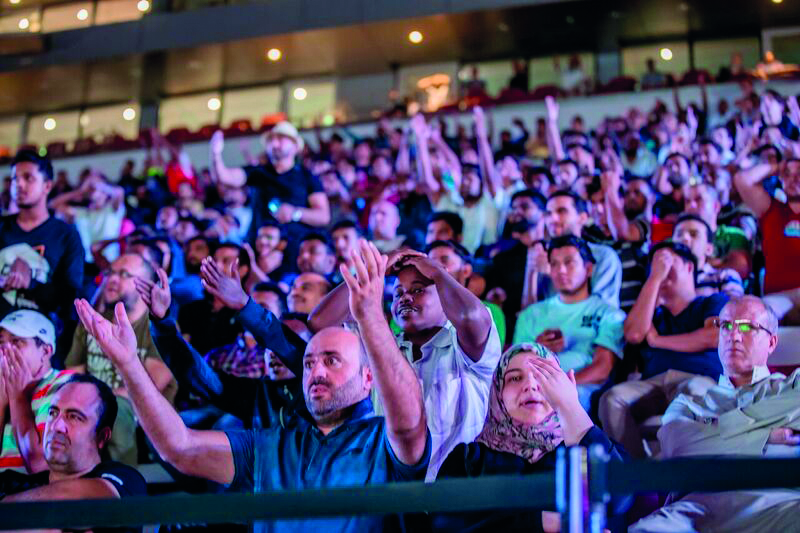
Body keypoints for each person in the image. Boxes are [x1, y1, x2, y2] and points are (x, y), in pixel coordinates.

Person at [73, 240, 430, 533]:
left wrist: (368, 314)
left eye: (331, 361)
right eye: (308, 363)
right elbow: (179, 446)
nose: (315, 370)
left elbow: (410, 420)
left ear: (368, 379)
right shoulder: (270, 443)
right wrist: (130, 362)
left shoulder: (383, 440)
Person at [309, 245, 502, 480]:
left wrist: (437, 272)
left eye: (418, 289)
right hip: (391, 497)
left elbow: (469, 316)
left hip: (457, 497)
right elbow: (320, 323)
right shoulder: (378, 348)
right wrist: (376, 271)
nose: (405, 297)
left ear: (444, 296)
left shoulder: (466, 349)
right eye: (398, 293)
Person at [630, 296, 800, 532]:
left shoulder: (794, 386)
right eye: (726, 326)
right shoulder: (687, 404)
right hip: (698, 509)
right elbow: (682, 452)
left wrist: (720, 430)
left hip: (777, 503)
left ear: (771, 343)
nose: (734, 335)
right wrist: (766, 437)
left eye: (748, 327)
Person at [434, 343, 627, 533]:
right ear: (497, 392)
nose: (530, 385)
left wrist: (571, 408)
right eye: (515, 378)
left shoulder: (586, 448)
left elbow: (619, 501)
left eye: (544, 376)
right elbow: (444, 523)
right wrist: (545, 521)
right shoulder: (470, 459)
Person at [599, 241, 727, 458]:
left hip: (698, 378)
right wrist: (654, 279)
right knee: (612, 399)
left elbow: (713, 337)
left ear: (689, 267)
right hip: (654, 383)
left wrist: (658, 341)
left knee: (695, 392)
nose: (661, 268)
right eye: (655, 265)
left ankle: (692, 477)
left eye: (667, 262)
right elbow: (634, 334)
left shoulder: (712, 301)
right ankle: (637, 479)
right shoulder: (652, 314)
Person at [65, 253, 176, 465]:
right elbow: (74, 374)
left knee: (118, 409)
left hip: (143, 411)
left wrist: (94, 400)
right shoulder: (92, 321)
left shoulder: (159, 328)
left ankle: (122, 487)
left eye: (124, 274)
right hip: (92, 402)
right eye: (110, 272)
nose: (113, 279)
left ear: (145, 285)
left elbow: (152, 387)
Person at [0, 374, 147, 533]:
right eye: (53, 413)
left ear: (102, 437)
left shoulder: (125, 479)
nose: (57, 426)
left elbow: (83, 503)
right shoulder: (11, 483)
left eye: (74, 417)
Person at [513, 236, 625, 411]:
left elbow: (603, 368)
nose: (561, 270)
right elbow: (514, 366)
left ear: (588, 269)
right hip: (531, 388)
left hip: (580, 389)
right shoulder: (530, 314)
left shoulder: (609, 315)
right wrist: (536, 348)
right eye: (554, 264)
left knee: (566, 400)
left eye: (569, 263)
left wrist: (559, 385)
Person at [0, 151, 84, 363]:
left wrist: (32, 283)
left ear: (47, 185)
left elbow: (71, 297)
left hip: (41, 345)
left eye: (28, 178)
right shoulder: (1, 228)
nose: (19, 185)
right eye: (14, 179)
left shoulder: (66, 235)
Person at [209, 121, 331, 267]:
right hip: (258, 250)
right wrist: (215, 154)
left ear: (295, 147)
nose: (275, 143)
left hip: (293, 253)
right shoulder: (258, 173)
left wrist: (295, 213)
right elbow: (225, 177)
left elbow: (323, 216)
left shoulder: (307, 177)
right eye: (271, 140)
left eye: (281, 139)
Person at [0, 310, 75, 473]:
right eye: (1, 343)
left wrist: (17, 397)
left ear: (46, 351)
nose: (4, 351)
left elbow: (40, 464)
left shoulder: (65, 384)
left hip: (37, 492)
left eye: (16, 342)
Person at [735, 158, 800, 322]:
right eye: (788, 174)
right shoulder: (771, 209)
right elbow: (742, 180)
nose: (794, 178)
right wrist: (777, 165)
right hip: (778, 300)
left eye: (799, 173)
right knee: (752, 315)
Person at [544, 191, 622, 308]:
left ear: (582, 218)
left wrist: (553, 274)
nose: (553, 219)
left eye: (562, 211)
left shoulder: (602, 256)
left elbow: (600, 311)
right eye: (548, 214)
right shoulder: (542, 258)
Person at [426, 240, 506, 345]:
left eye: (444, 260)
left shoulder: (490, 312)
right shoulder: (412, 308)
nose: (435, 268)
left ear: (466, 271)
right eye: (430, 262)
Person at [179, 243, 249, 354]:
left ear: (242, 270)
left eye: (226, 261)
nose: (217, 266)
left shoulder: (248, 315)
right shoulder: (190, 309)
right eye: (214, 261)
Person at [48, 170, 126, 265]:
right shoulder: (82, 213)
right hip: (86, 265)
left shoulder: (112, 211)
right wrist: (80, 190)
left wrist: (99, 184)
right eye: (91, 187)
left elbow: (119, 192)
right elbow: (52, 204)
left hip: (109, 263)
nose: (93, 189)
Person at [683, 182, 752, 279]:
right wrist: (717, 264)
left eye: (699, 199)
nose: (691, 205)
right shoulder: (678, 238)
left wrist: (697, 267)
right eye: (687, 201)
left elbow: (740, 269)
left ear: (716, 206)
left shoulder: (733, 235)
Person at [673, 214, 743, 298]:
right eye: (679, 234)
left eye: (693, 234)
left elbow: (734, 309)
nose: (685, 238)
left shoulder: (725, 276)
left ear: (709, 249)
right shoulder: (664, 280)